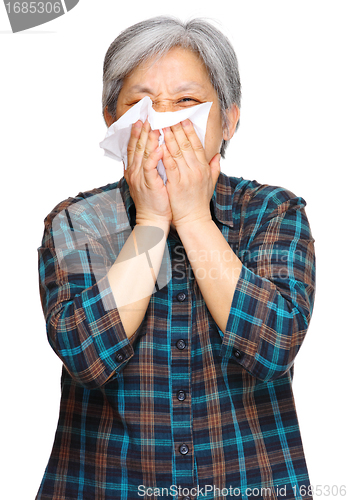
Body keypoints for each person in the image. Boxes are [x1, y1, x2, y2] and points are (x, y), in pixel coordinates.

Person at [36, 16, 316, 500]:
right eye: (140, 103)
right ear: (112, 120)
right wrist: (149, 223)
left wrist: (193, 219)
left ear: (228, 118)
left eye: (187, 101)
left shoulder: (274, 212)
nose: (162, 118)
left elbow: (274, 346)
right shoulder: (77, 221)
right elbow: (84, 357)